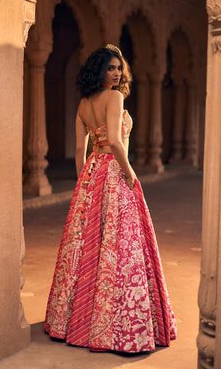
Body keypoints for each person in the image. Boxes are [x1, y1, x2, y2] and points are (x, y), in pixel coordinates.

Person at [44, 45, 177, 353]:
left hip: (92, 172)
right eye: (111, 68)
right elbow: (116, 141)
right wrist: (130, 174)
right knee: (121, 244)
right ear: (98, 71)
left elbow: (81, 150)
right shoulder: (115, 98)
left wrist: (83, 182)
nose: (117, 73)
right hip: (114, 170)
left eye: (119, 68)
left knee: (89, 244)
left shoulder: (83, 103)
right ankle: (116, 324)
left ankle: (74, 322)